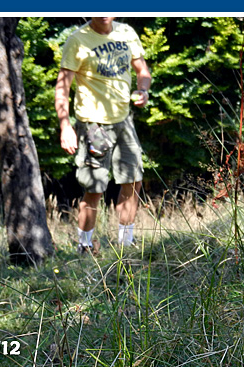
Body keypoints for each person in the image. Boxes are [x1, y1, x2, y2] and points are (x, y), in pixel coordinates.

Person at [55, 17, 152, 254]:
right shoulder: (77, 40)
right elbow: (62, 87)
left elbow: (143, 71)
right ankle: (85, 246)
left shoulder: (126, 32)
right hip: (93, 126)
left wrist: (143, 91)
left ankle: (125, 244)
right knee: (95, 187)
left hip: (124, 121)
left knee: (133, 180)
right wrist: (65, 125)